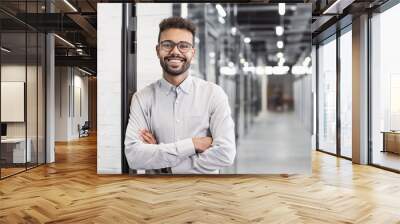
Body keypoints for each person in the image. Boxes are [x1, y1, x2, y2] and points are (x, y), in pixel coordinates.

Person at [124, 16, 236, 174]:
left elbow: (226, 153)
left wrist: (165, 164)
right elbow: (134, 156)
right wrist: (193, 144)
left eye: (183, 46)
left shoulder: (213, 94)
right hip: (158, 194)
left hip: (204, 194)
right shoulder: (142, 98)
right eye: (167, 45)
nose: (175, 51)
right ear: (158, 50)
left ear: (193, 52)